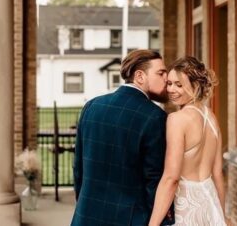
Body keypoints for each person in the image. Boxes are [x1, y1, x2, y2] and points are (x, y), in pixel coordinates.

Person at [70, 49, 174, 226]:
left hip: (86, 217)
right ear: (140, 76)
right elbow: (154, 180)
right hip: (131, 219)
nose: (167, 79)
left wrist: (85, 205)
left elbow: (78, 168)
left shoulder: (91, 107)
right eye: (161, 73)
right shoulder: (154, 117)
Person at [148, 56, 227, 226]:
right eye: (169, 83)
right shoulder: (211, 118)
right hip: (210, 204)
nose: (171, 90)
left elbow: (171, 178)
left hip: (187, 209)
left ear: (195, 86)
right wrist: (222, 214)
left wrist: (152, 224)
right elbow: (218, 175)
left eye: (179, 85)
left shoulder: (177, 120)